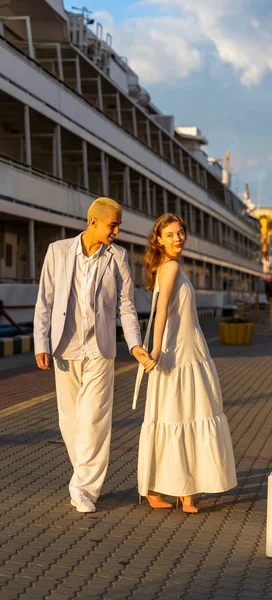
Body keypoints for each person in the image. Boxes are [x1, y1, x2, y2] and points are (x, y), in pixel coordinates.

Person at [34, 197, 155, 513]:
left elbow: (126, 306)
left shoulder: (117, 257)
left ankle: (84, 489)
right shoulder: (58, 252)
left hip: (101, 349)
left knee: (95, 420)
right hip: (65, 348)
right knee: (70, 420)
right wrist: (41, 344)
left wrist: (134, 344)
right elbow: (45, 302)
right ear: (94, 222)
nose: (116, 231)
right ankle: (83, 478)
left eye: (118, 226)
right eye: (113, 225)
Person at [137, 213, 237, 512]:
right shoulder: (169, 267)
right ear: (159, 239)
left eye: (180, 232)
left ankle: (180, 489)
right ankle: (172, 490)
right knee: (179, 415)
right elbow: (163, 309)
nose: (177, 238)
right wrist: (156, 350)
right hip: (178, 352)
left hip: (191, 349)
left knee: (186, 414)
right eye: (170, 234)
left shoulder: (172, 266)